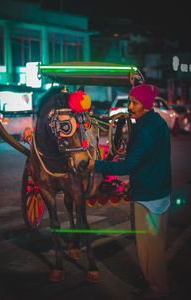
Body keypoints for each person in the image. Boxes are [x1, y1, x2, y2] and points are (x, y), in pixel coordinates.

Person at [88, 84, 172, 300]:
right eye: (130, 102)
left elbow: (128, 166)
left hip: (148, 196)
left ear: (145, 105)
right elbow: (147, 157)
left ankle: (157, 287)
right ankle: (156, 283)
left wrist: (94, 165)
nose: (129, 107)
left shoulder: (144, 131)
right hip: (159, 190)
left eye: (134, 102)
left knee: (148, 247)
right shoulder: (156, 122)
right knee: (156, 244)